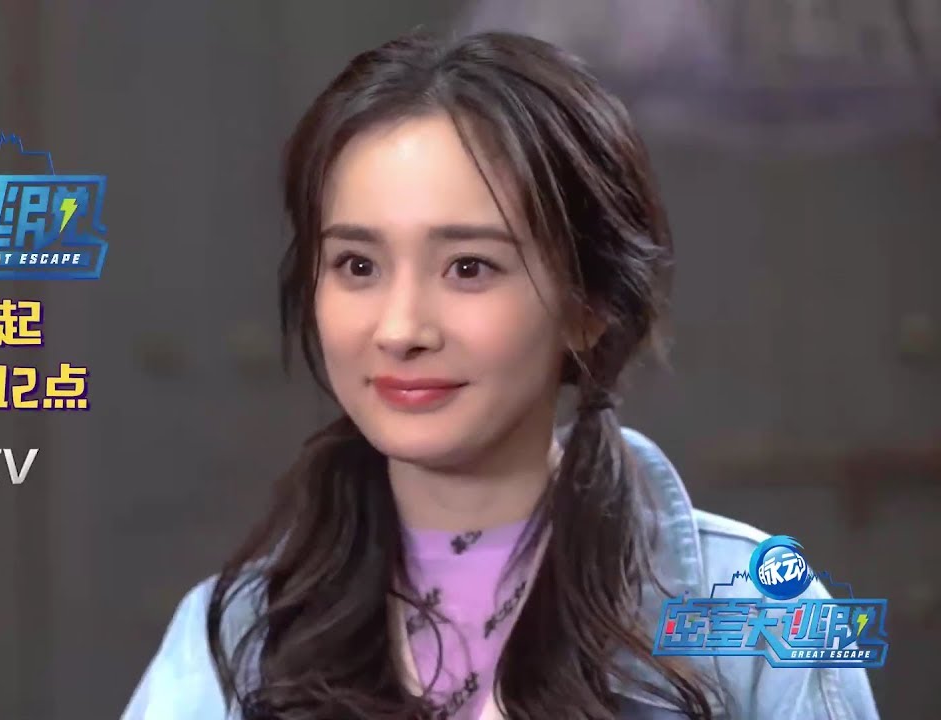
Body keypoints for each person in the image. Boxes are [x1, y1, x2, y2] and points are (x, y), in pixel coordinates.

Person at [123, 31, 881, 720]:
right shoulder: (232, 637)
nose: (401, 329)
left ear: (589, 305)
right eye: (357, 265)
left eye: (468, 267)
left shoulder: (762, 616)